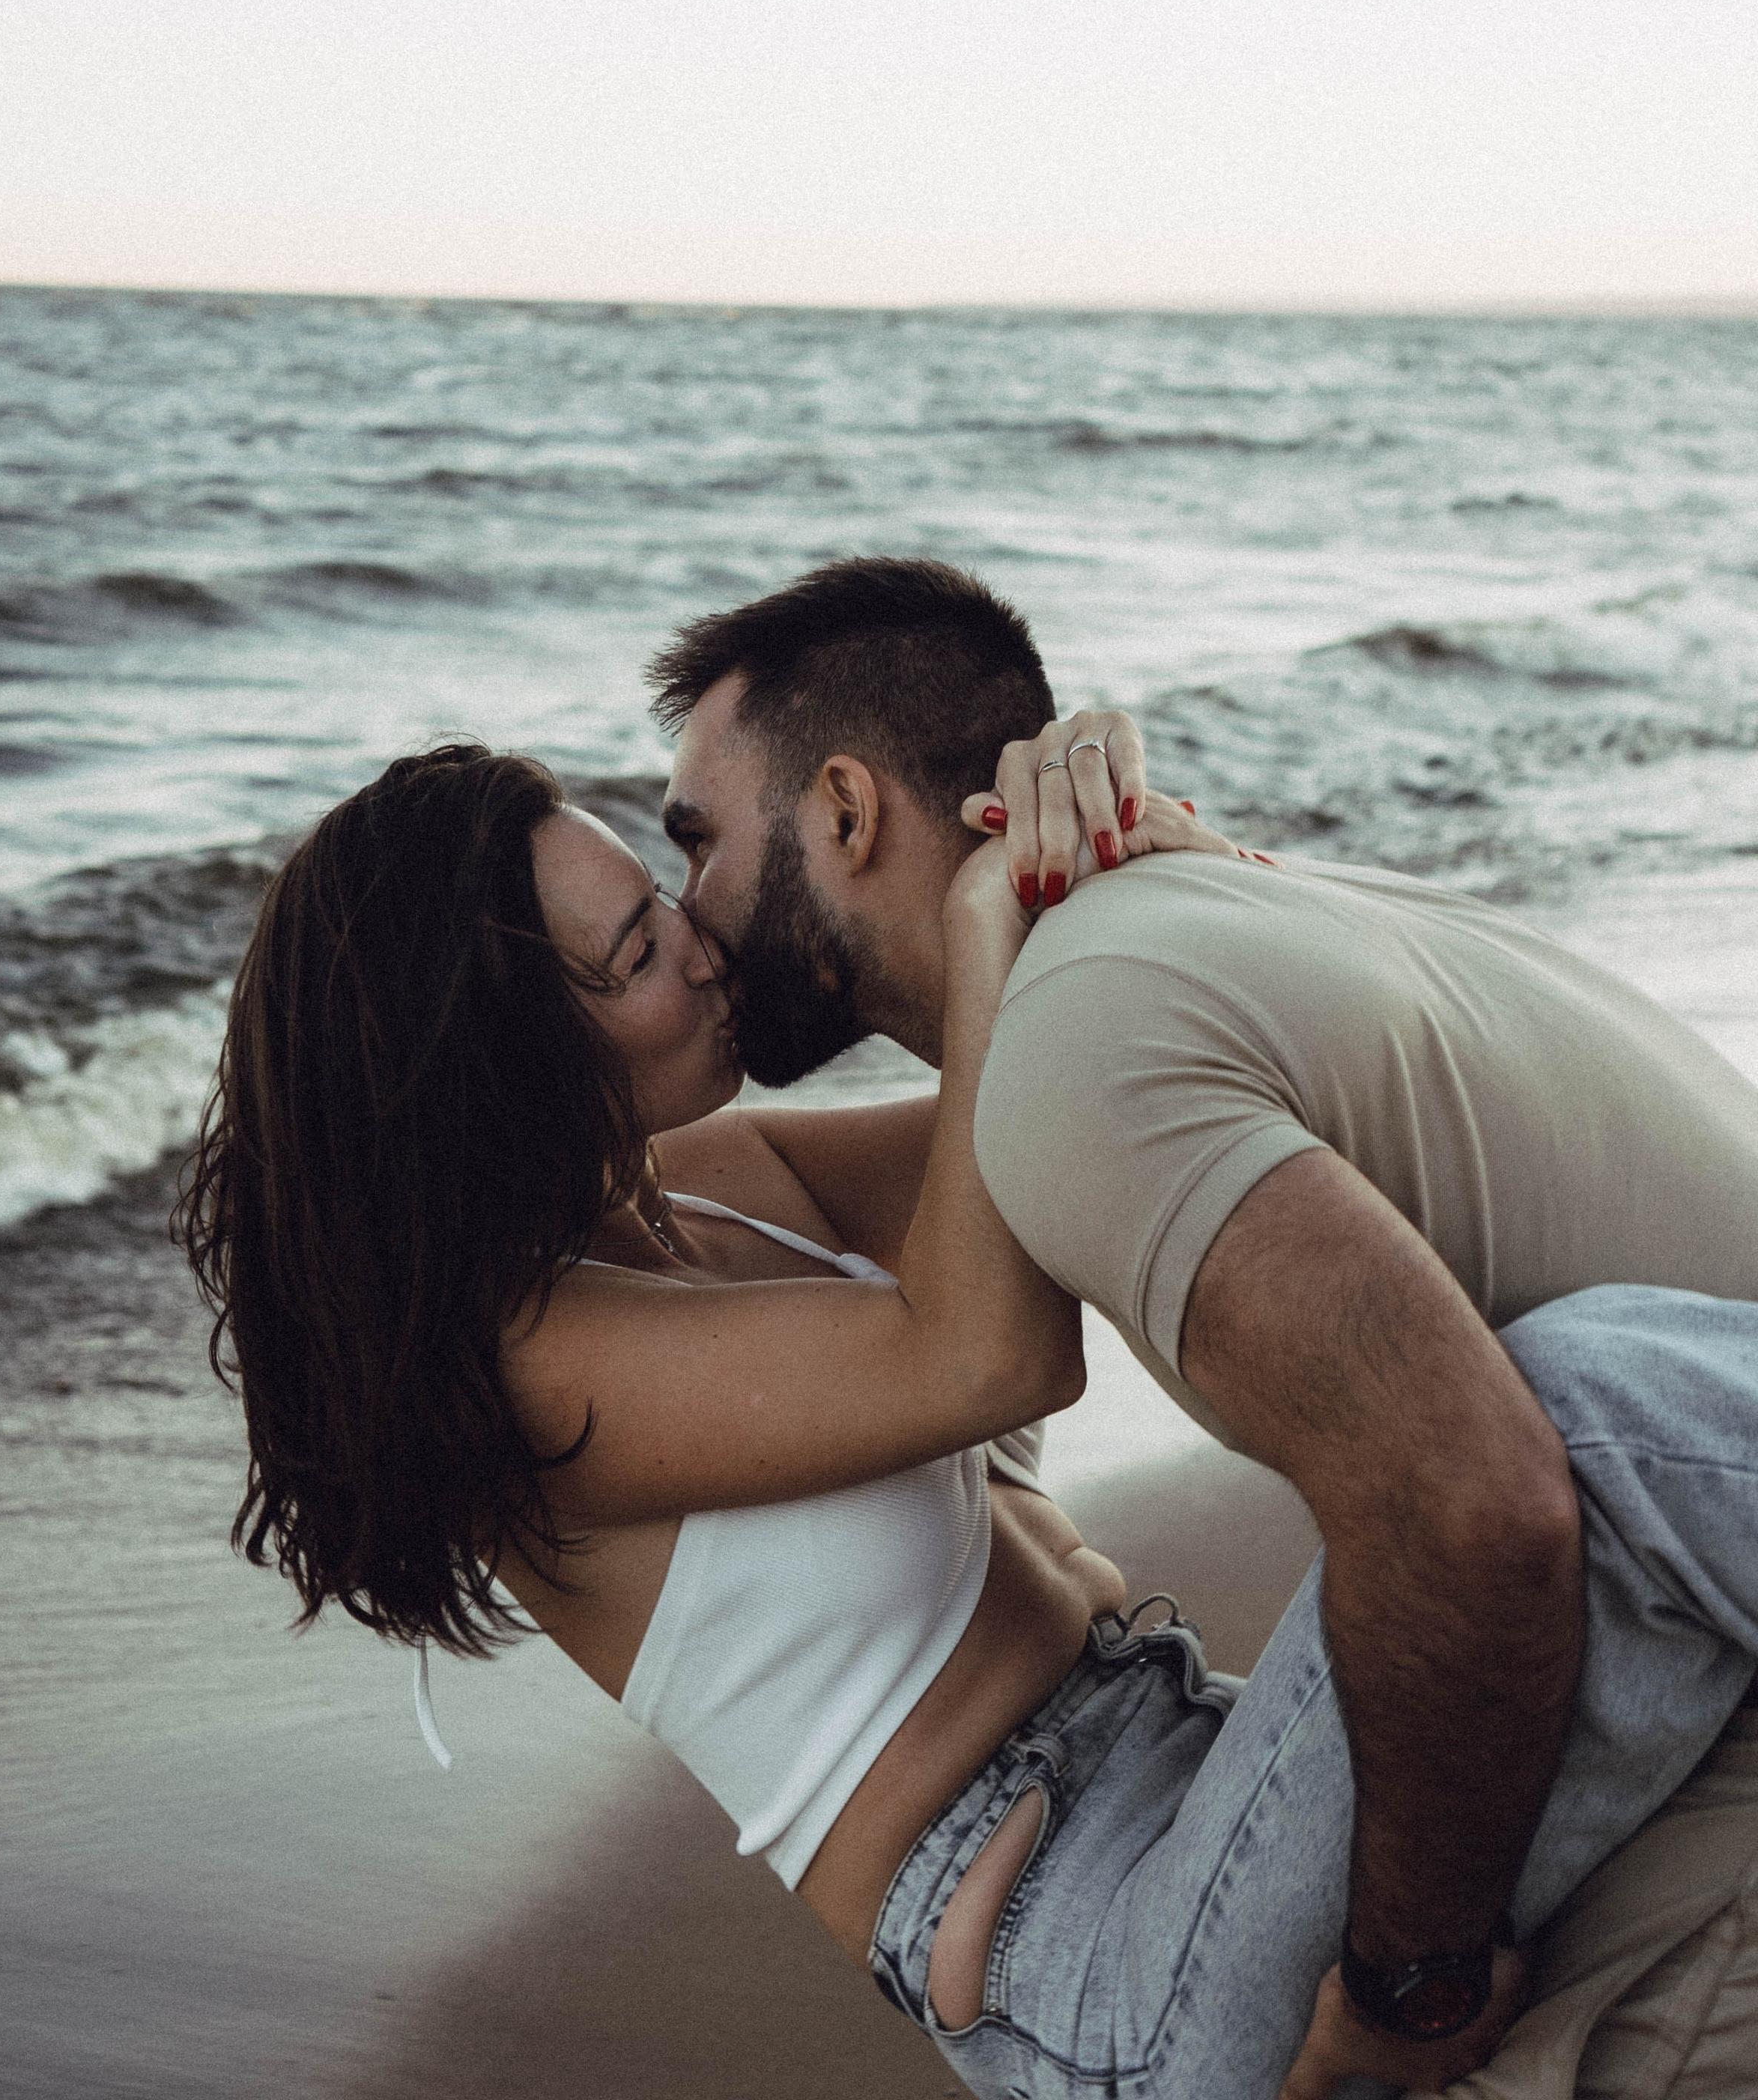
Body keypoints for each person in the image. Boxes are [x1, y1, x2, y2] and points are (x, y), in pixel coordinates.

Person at [181, 712, 1758, 2096]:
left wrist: (1132, 862)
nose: (696, 942)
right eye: (633, 956)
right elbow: (990, 1353)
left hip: (1196, 1773)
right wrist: (992, 904)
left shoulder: (710, 1188)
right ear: (503, 1060)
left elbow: (1101, 1099)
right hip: (1111, 1981)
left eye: (659, 901)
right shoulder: (526, 1368)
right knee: (1582, 1416)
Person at [646, 554, 1758, 2093]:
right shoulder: (1225, 909)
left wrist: (1404, 1995)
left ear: (841, 811)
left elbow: (1470, 1506)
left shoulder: (1080, 1051)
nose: (683, 918)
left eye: (689, 842)